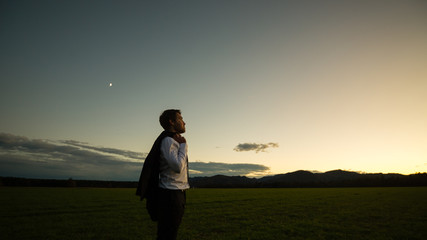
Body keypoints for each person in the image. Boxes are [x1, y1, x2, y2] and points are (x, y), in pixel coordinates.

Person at [136, 109, 190, 240]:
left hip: (176, 193)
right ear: (171, 122)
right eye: (180, 119)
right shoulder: (168, 141)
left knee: (169, 233)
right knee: (167, 235)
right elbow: (177, 167)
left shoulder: (172, 140)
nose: (184, 122)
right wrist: (184, 146)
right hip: (170, 195)